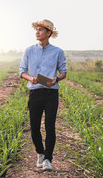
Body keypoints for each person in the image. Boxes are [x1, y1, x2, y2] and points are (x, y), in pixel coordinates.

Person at [19, 19, 67, 171]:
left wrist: (56, 78)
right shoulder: (29, 50)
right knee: (34, 127)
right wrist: (31, 78)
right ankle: (40, 153)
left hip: (51, 93)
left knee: (50, 127)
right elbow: (22, 71)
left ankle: (48, 159)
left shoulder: (58, 52)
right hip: (35, 92)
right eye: (37, 29)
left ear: (48, 33)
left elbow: (63, 72)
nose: (37, 32)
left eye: (40, 30)